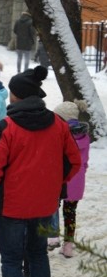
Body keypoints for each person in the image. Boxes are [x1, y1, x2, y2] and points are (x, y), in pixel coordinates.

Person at [0, 66, 81, 277]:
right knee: (38, 257)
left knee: (12, 260)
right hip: (47, 207)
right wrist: (55, 186)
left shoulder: (7, 127)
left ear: (16, 96)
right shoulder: (58, 125)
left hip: (11, 206)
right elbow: (73, 162)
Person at [48, 100, 90, 258]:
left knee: (52, 207)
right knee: (70, 213)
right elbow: (84, 162)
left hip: (62, 178)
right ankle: (68, 246)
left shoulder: (60, 134)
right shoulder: (85, 136)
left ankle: (52, 238)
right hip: (77, 180)